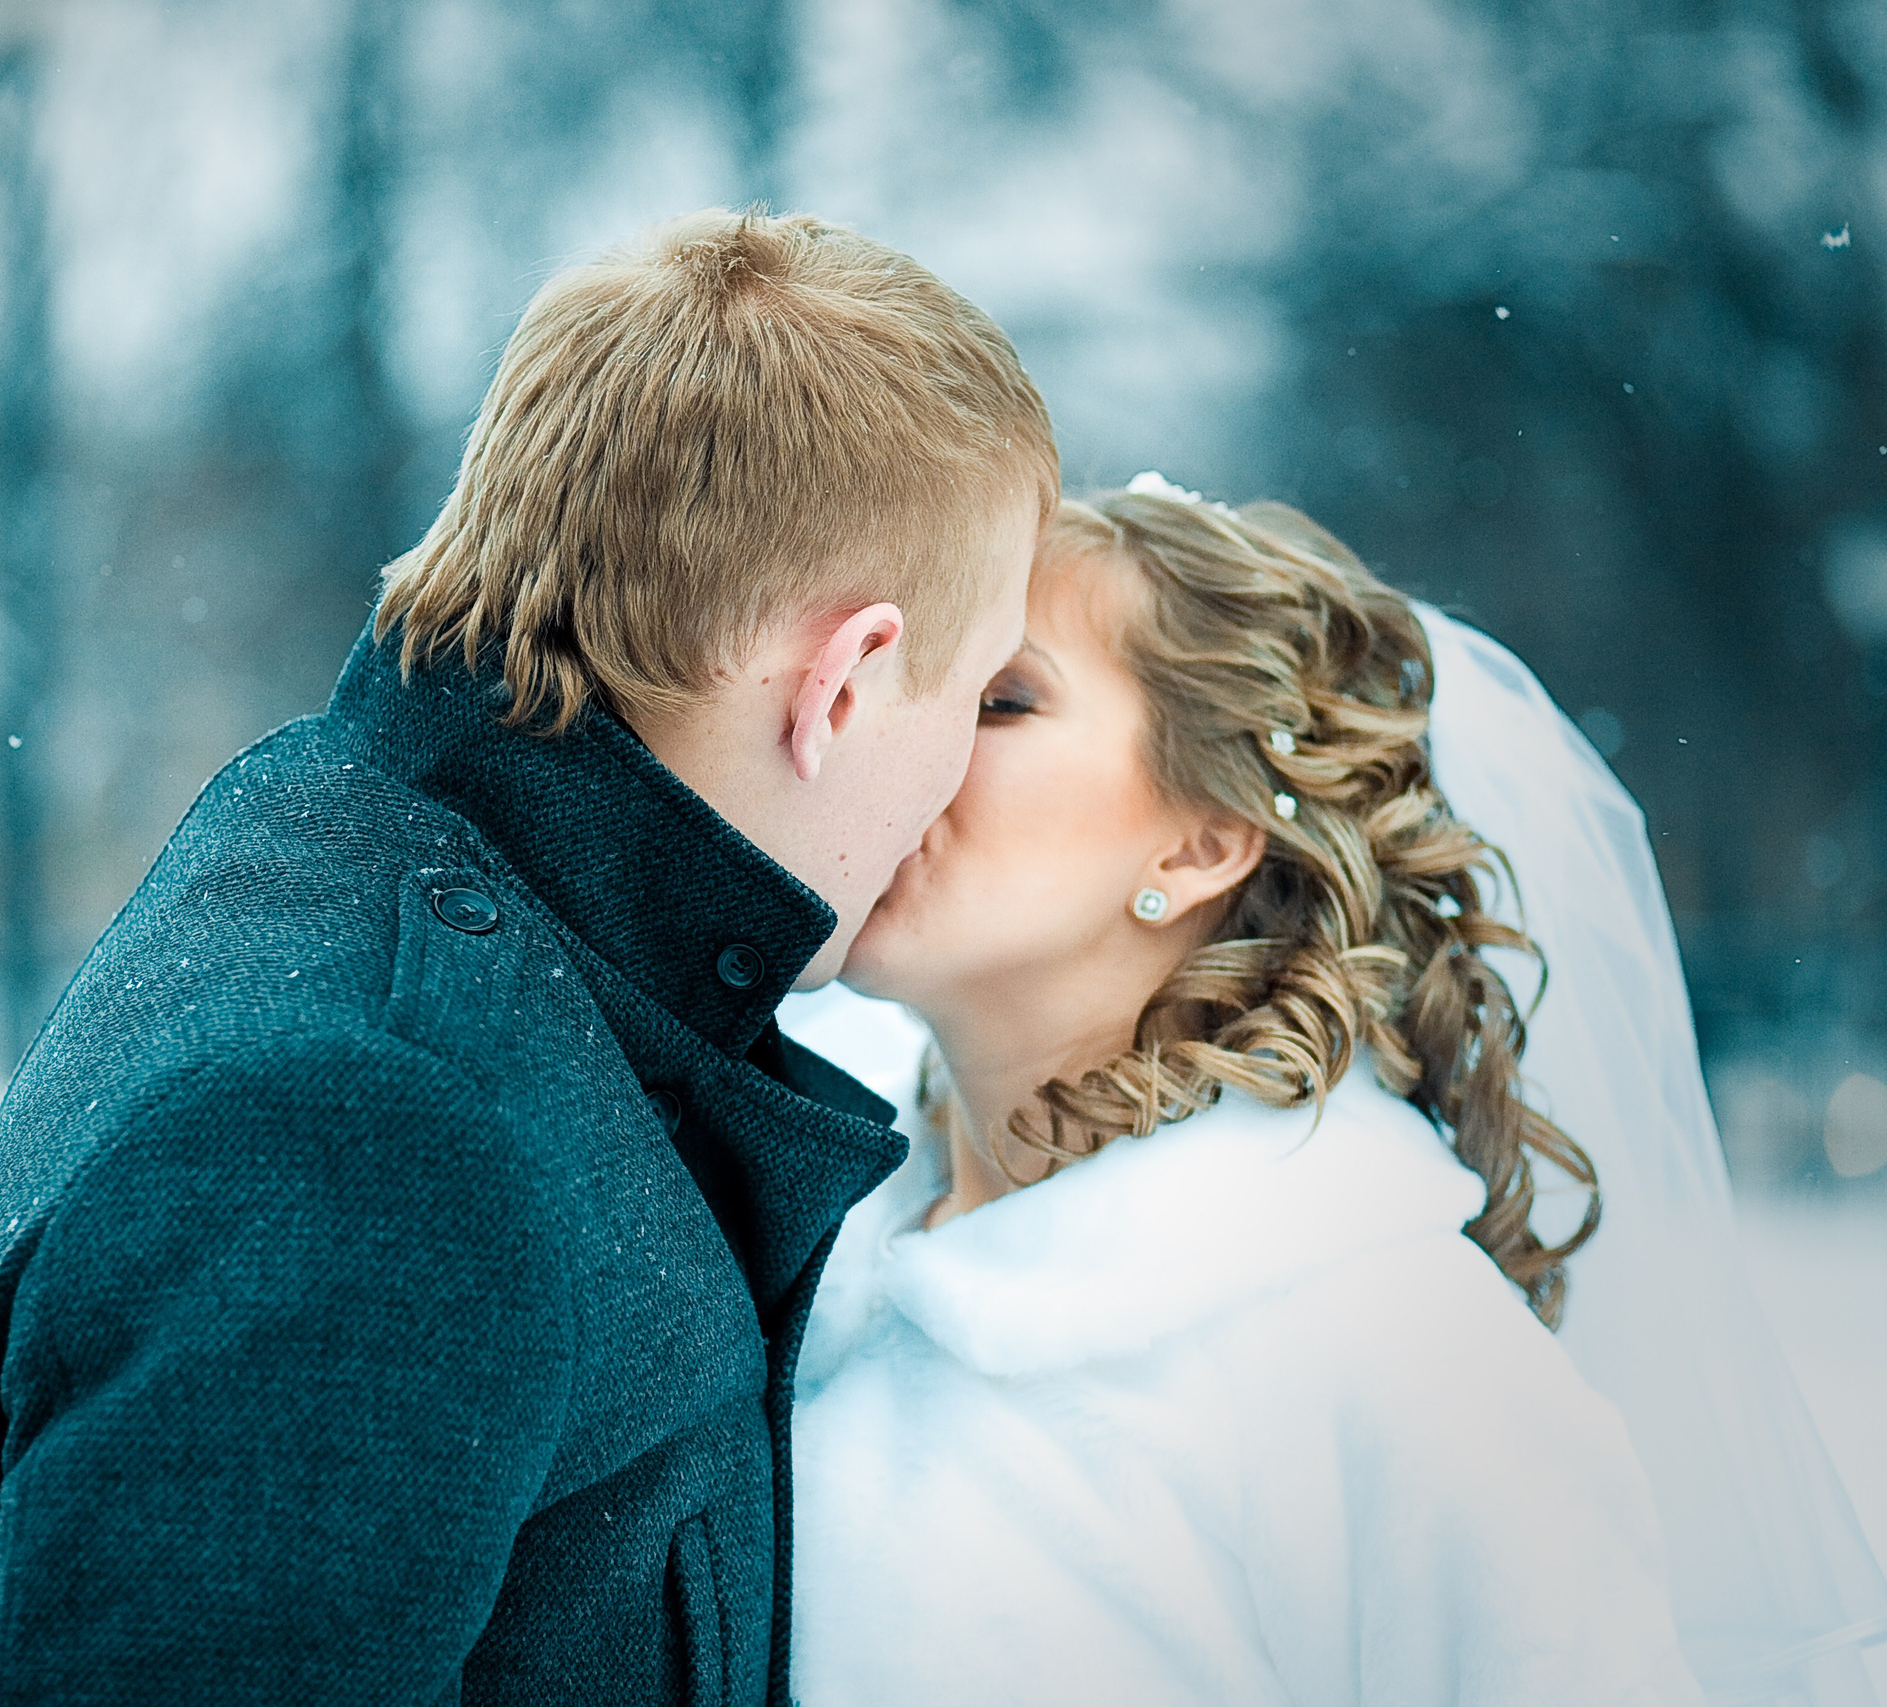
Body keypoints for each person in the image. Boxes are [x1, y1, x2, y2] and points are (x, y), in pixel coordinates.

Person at [0, 208, 1057, 1706]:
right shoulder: (373, 1128)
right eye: (977, 690)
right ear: (841, 680)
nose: (962, 769)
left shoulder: (378, 872)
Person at [783, 477, 1883, 1704]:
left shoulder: (1399, 1363)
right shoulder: (792, 1235)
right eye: (908, 680)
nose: (896, 741)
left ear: (1199, 843)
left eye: (1001, 700)